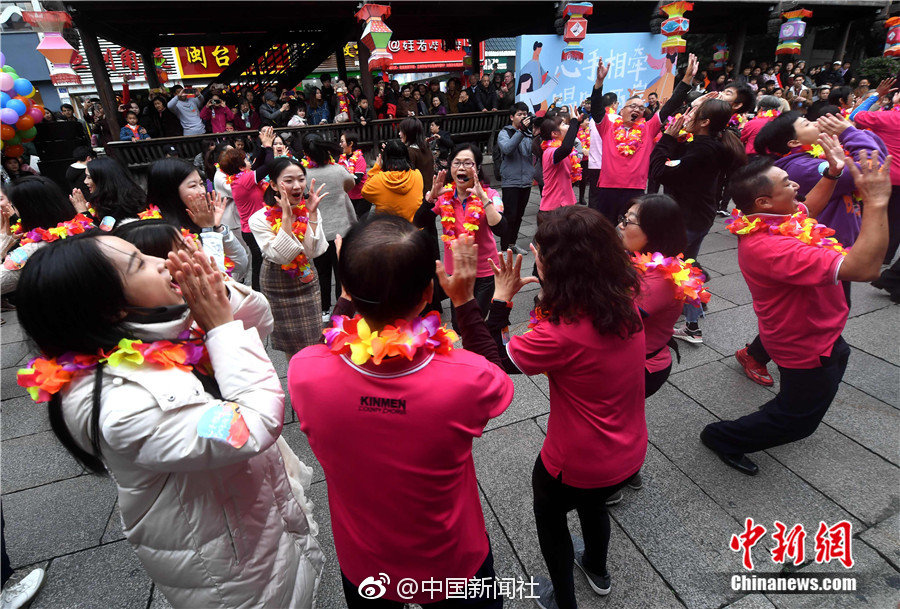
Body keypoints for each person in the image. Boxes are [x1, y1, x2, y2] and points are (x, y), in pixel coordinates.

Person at [16, 233, 323, 607]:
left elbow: (260, 318)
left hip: (259, 520)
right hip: (230, 575)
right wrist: (220, 327)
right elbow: (250, 426)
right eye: (139, 263)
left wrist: (213, 294)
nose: (160, 261)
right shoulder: (119, 403)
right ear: (109, 309)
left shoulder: (160, 330)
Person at [289, 215, 513, 608]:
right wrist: (463, 302)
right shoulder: (467, 378)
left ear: (348, 292)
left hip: (365, 562)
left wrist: (349, 294)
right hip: (451, 560)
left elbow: (327, 342)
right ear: (429, 292)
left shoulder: (305, 372)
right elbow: (499, 378)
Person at [482, 205, 647, 609]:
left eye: (538, 254)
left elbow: (497, 359)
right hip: (629, 452)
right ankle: (596, 567)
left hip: (574, 461)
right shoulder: (623, 302)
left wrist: (500, 300)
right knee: (594, 508)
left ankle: (564, 602)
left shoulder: (560, 334)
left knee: (552, 524)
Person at [700, 153, 890, 475]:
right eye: (787, 183)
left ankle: (788, 405)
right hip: (803, 341)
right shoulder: (771, 247)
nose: (797, 185)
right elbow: (865, 268)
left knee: (830, 366)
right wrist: (877, 203)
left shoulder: (771, 217)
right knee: (799, 421)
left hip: (818, 331)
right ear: (764, 200)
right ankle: (721, 437)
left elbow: (809, 208)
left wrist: (831, 173)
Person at [649, 99, 747, 343]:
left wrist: (668, 140)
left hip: (688, 219)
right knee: (688, 266)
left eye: (694, 115)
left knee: (676, 267)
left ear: (705, 123)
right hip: (698, 216)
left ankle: (691, 325)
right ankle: (694, 315)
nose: (687, 118)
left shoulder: (703, 150)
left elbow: (659, 172)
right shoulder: (706, 144)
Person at [589, 54, 696, 224]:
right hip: (607, 188)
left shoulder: (648, 127)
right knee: (605, 230)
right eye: (633, 106)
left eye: (641, 107)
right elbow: (595, 108)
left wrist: (687, 78)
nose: (637, 109)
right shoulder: (607, 127)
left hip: (635, 190)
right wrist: (599, 82)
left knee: (631, 230)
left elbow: (671, 105)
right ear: (621, 111)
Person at [248, 157, 329, 355]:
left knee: (315, 338)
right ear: (274, 185)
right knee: (291, 345)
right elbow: (282, 256)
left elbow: (313, 252)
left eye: (301, 179)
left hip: (306, 278)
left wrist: (311, 216)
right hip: (277, 282)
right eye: (289, 180)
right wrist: (285, 216)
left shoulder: (309, 210)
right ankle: (296, 378)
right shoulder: (258, 219)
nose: (297, 186)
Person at [417, 144, 505, 320]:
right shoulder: (444, 196)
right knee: (459, 324)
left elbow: (501, 229)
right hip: (455, 272)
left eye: (468, 163)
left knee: (475, 320)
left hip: (484, 271)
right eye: (457, 163)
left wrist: (484, 200)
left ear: (477, 168)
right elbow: (418, 222)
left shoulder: (491, 194)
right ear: (450, 168)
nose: (461, 167)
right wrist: (431, 198)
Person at [146, 157, 249, 279]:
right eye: (193, 186)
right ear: (170, 193)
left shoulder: (198, 220)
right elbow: (215, 280)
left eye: (201, 184)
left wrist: (217, 227)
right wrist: (207, 229)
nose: (202, 191)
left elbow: (241, 265)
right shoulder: (160, 235)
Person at [1, 176, 88, 295]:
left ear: (26, 211)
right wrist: (85, 215)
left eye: (15, 207)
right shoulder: (85, 230)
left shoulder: (30, 251)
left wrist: (2, 245)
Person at [301, 134, 356, 321]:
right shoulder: (339, 171)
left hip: (320, 232)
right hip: (342, 230)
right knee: (341, 271)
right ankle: (342, 309)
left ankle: (324, 309)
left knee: (322, 272)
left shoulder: (305, 176)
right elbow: (350, 184)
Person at [219, 127, 276, 292]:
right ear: (241, 166)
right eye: (245, 159)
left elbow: (258, 163)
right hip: (252, 230)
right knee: (259, 264)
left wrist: (264, 145)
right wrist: (268, 147)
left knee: (260, 262)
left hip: (251, 228)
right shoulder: (244, 180)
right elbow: (269, 165)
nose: (249, 160)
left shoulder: (241, 177)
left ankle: (260, 291)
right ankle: (259, 292)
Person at [497, 102, 534, 254]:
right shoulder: (504, 133)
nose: (523, 117)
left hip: (526, 181)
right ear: (512, 117)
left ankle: (513, 244)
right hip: (510, 181)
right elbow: (507, 149)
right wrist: (521, 131)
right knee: (509, 216)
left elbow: (530, 152)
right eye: (519, 114)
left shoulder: (528, 133)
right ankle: (505, 248)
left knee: (519, 215)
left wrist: (534, 133)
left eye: (525, 114)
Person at [361, 139, 423, 221]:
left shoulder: (378, 180)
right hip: (412, 230)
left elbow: (365, 192)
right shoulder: (417, 175)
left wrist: (376, 168)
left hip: (389, 231)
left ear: (385, 158)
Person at [537, 106, 584, 213]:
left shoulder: (559, 147)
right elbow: (567, 148)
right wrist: (573, 122)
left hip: (566, 203)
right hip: (554, 207)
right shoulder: (550, 152)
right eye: (563, 124)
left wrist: (576, 123)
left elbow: (569, 142)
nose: (567, 126)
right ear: (554, 134)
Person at [77, 156, 147, 225]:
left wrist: (84, 213)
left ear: (103, 180)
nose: (85, 181)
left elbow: (103, 234)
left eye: (89, 177)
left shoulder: (115, 207)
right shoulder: (122, 197)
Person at [338, 131, 369, 219]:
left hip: (362, 197)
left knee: (360, 222)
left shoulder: (360, 159)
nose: (340, 144)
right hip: (349, 197)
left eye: (342, 141)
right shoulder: (341, 160)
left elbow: (357, 179)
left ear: (350, 143)